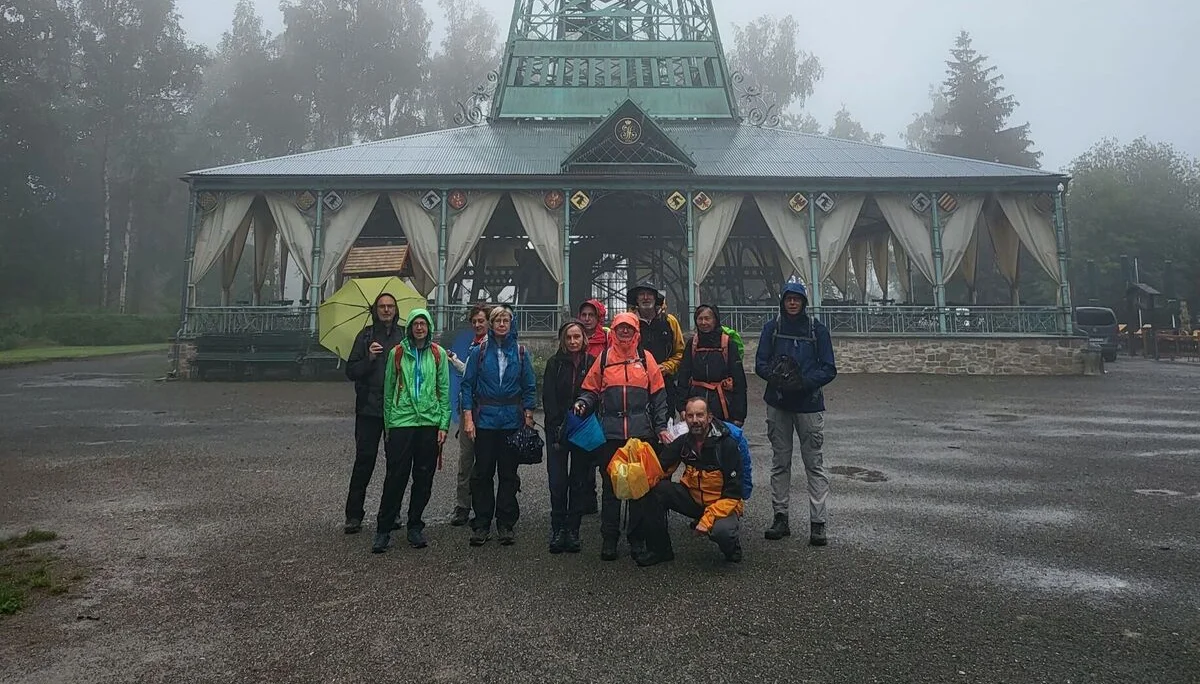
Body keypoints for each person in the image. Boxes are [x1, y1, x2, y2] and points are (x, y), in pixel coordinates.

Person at [574, 312, 671, 562]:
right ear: (614, 331)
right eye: (620, 328)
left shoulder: (646, 359)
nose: (624, 332)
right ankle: (609, 537)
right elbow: (591, 389)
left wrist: (660, 427)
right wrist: (583, 403)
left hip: (640, 433)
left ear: (636, 331)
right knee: (611, 487)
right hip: (612, 433)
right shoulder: (604, 359)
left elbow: (659, 397)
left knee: (638, 488)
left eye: (629, 328)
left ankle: (636, 538)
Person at [754, 282, 838, 546]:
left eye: (797, 299)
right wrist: (777, 378)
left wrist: (803, 382)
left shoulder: (817, 331)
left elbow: (829, 368)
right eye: (788, 299)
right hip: (779, 403)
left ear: (803, 302)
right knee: (780, 462)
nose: (792, 303)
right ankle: (781, 517)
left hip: (808, 404)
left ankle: (818, 522)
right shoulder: (773, 329)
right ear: (783, 301)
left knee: (814, 464)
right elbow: (760, 363)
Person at [373, 308, 450, 553]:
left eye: (423, 323)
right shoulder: (397, 353)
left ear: (428, 327)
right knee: (396, 477)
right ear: (410, 328)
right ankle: (383, 528)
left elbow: (444, 391)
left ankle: (415, 525)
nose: (419, 328)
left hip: (428, 422)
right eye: (415, 323)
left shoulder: (438, 355)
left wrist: (444, 424)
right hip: (402, 422)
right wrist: (388, 426)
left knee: (424, 477)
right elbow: (388, 391)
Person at [461, 305, 537, 547]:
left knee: (508, 473)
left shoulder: (521, 352)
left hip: (511, 420)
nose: (502, 324)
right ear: (491, 324)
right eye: (497, 320)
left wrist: (528, 414)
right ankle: (482, 522)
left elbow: (529, 386)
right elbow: (467, 385)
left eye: (506, 320)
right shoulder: (479, 352)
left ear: (511, 323)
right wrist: (468, 419)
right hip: (486, 419)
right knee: (482, 471)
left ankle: (505, 522)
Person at [637, 397, 744, 567]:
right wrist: (631, 473)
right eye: (690, 416)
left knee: (721, 532)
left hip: (721, 504)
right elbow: (658, 467)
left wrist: (707, 520)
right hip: (693, 499)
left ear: (709, 417)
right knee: (655, 490)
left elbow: (734, 493)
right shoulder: (684, 442)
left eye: (700, 415)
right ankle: (660, 550)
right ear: (685, 418)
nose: (695, 421)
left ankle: (732, 547)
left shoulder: (727, 445)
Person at [342, 292, 406, 535]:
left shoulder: (403, 337)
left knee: (396, 464)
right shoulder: (365, 336)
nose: (387, 310)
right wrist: (369, 358)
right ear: (376, 309)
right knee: (364, 461)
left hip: (396, 410)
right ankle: (354, 514)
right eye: (382, 306)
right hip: (368, 408)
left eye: (390, 306)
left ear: (396, 309)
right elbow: (351, 371)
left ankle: (392, 511)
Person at [541, 319, 596, 554]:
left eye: (577, 337)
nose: (573, 341)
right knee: (558, 482)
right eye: (569, 337)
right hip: (558, 428)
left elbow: (595, 392)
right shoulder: (554, 364)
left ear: (584, 339)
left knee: (579, 480)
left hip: (582, 428)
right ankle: (557, 528)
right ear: (563, 340)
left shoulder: (592, 363)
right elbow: (548, 397)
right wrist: (555, 425)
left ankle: (573, 530)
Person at [446, 303, 492, 527]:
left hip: (487, 412)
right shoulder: (474, 345)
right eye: (474, 321)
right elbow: (470, 374)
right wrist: (455, 361)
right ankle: (463, 505)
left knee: (483, 462)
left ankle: (481, 506)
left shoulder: (494, 347)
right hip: (469, 410)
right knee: (466, 460)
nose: (477, 325)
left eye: (481, 321)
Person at [675, 304, 747, 426]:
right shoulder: (692, 344)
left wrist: (739, 416)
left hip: (723, 407)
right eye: (700, 319)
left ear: (715, 320)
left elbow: (739, 382)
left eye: (707, 318)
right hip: (696, 406)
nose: (703, 322)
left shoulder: (728, 344)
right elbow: (683, 377)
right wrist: (682, 407)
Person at [626, 281, 684, 408]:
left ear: (656, 297)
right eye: (641, 294)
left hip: (665, 384)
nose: (645, 298)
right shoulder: (628, 322)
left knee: (665, 422)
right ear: (636, 299)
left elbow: (680, 352)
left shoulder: (669, 321)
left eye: (649, 294)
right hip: (635, 384)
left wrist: (666, 367)